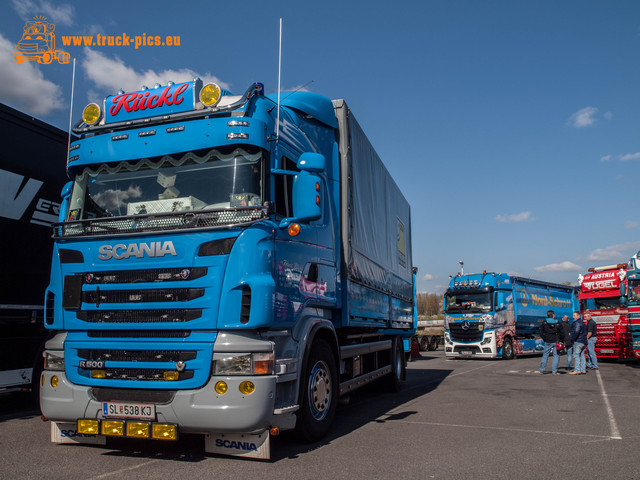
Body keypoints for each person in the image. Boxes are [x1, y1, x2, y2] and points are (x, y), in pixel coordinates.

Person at [536, 310, 561, 375]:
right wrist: (560, 339)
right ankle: (554, 371)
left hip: (548, 340)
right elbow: (561, 332)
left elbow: (541, 332)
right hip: (556, 341)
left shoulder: (544, 323)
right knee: (556, 356)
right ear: (553, 315)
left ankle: (542, 370)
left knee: (545, 355)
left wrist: (545, 338)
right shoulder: (557, 322)